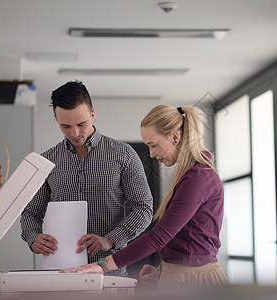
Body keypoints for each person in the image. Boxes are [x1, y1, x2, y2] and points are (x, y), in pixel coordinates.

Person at [62, 105, 228, 288]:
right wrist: (164, 269)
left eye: (153, 145)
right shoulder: (192, 175)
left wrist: (103, 265)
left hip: (194, 281)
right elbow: (189, 237)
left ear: (175, 136)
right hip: (181, 276)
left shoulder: (198, 177)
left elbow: (159, 237)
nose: (151, 153)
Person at [20, 81, 153, 276]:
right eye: (65, 126)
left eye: (81, 124)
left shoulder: (124, 155)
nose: (74, 133)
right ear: (56, 118)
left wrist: (111, 239)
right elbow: (30, 213)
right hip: (61, 273)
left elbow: (144, 208)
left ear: (92, 115)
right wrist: (33, 238)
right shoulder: (46, 161)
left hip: (109, 272)